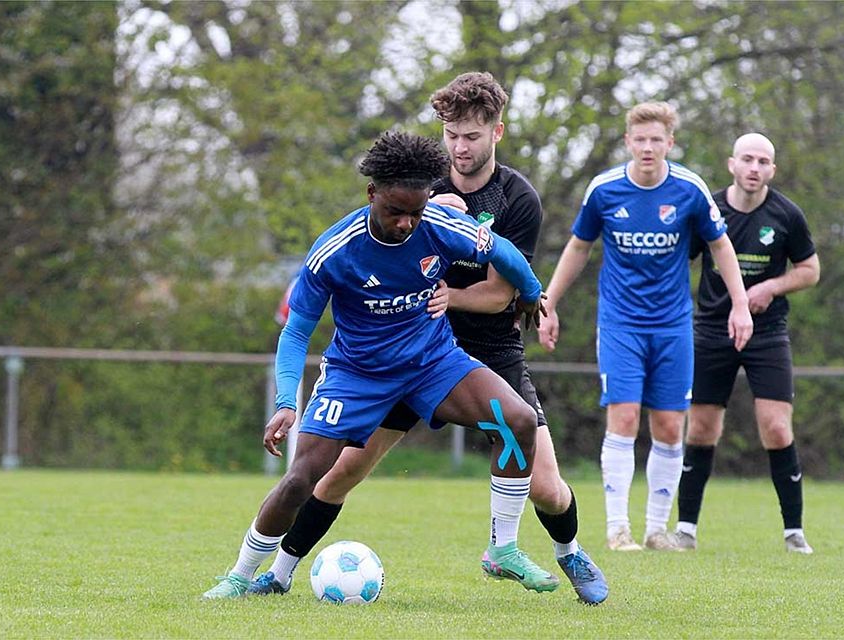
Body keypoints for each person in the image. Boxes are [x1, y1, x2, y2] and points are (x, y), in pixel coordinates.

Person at [247, 72, 609, 606]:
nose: (460, 148)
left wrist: (452, 298)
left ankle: (567, 552)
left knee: (545, 483)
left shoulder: (517, 198)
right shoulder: (419, 187)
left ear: (496, 134)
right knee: (342, 470)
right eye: (452, 136)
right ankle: (276, 572)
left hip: (485, 346)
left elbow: (502, 292)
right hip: (405, 347)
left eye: (472, 137)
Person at [203, 130, 557, 599]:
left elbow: (502, 251)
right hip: (357, 375)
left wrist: (532, 293)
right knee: (302, 479)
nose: (408, 223)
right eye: (396, 211)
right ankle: (242, 575)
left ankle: (503, 549)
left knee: (516, 420)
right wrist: (287, 401)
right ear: (372, 194)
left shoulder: (439, 225)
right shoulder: (336, 251)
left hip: (433, 363)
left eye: (417, 210)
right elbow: (295, 331)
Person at [538, 102, 754, 552]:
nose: (648, 147)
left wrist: (740, 305)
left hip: (673, 326)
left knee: (671, 427)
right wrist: (549, 303)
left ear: (670, 143)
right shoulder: (604, 190)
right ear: (628, 142)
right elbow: (579, 247)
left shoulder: (690, 190)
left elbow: (721, 247)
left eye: (657, 139)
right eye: (640, 139)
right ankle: (618, 529)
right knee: (624, 418)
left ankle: (657, 530)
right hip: (620, 324)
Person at [673, 133, 820, 553]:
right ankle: (686, 529)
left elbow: (809, 270)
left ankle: (794, 531)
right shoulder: (710, 209)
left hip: (767, 332)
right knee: (701, 428)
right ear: (732, 163)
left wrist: (773, 287)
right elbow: (680, 258)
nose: (755, 168)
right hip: (711, 330)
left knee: (775, 426)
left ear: (772, 170)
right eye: (748, 160)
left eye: (763, 162)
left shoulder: (787, 214)